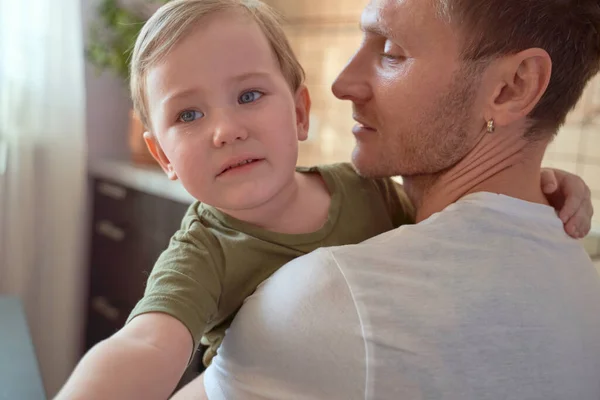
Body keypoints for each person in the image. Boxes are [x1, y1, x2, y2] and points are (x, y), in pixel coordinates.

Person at [55, 0, 594, 399]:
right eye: (188, 115)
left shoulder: (364, 192)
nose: (225, 130)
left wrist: (543, 181)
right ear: (162, 156)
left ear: (297, 112)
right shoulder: (204, 250)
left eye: (390, 52)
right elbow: (147, 344)